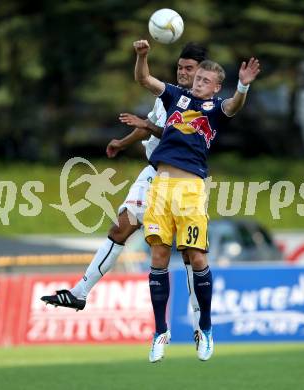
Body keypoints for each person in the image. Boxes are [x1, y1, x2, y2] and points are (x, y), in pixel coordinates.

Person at [41, 43, 209, 339]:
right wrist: (122, 141)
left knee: (188, 254)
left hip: (182, 181)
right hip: (153, 174)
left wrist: (144, 126)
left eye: (189, 69)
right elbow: (151, 124)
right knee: (120, 228)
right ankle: (80, 292)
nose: (183, 73)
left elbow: (168, 131)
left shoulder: (203, 103)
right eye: (180, 67)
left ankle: (199, 326)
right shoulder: (168, 93)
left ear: (201, 72)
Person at [133, 39, 260, 363]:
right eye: (197, 77)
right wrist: (142, 56)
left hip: (190, 190)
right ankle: (160, 331)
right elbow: (145, 80)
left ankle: (204, 326)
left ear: (216, 86)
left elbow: (234, 105)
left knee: (196, 256)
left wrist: (243, 87)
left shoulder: (214, 109)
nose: (198, 81)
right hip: (161, 185)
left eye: (205, 80)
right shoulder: (176, 96)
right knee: (159, 255)